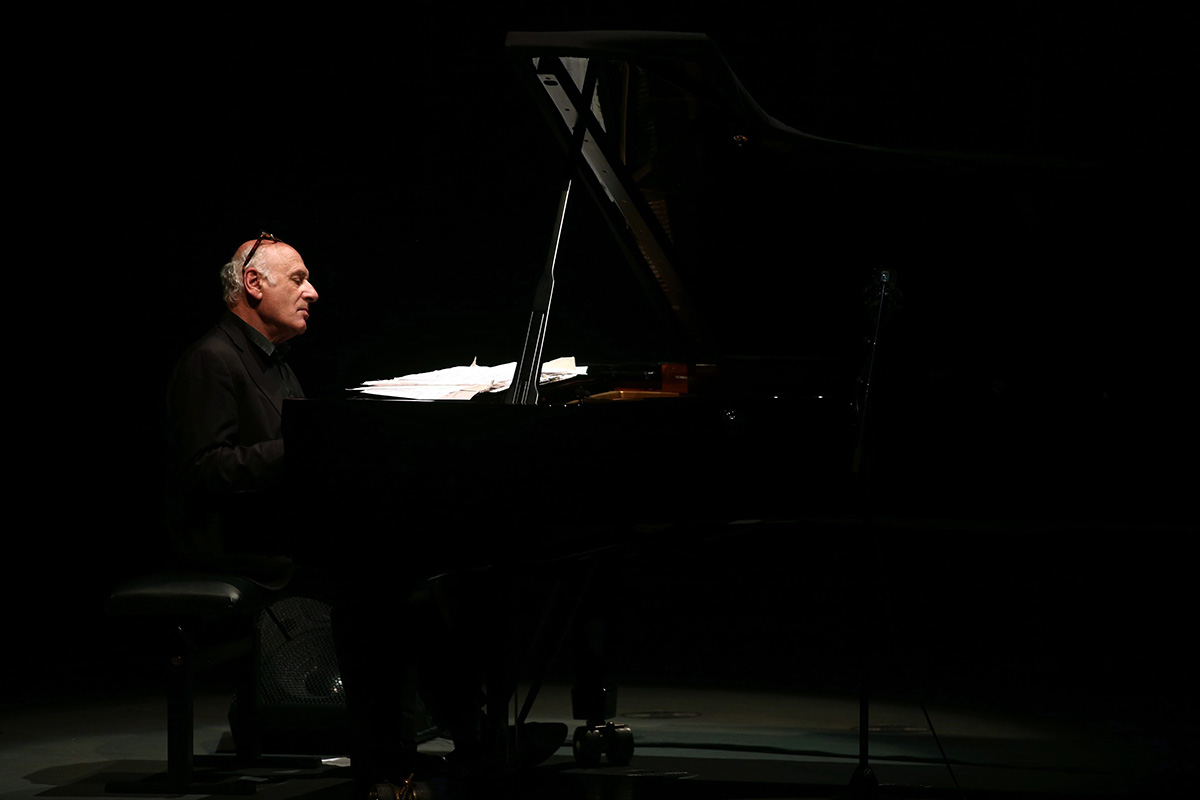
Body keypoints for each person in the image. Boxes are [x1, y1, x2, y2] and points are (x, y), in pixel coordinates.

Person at [165, 233, 482, 796]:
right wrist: (312, 449)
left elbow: (298, 462)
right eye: (299, 279)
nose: (312, 292)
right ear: (253, 284)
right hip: (232, 540)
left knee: (416, 573)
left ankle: (469, 736)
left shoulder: (275, 363)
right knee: (377, 585)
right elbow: (204, 470)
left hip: (277, 529)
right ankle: (386, 766)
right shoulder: (212, 358)